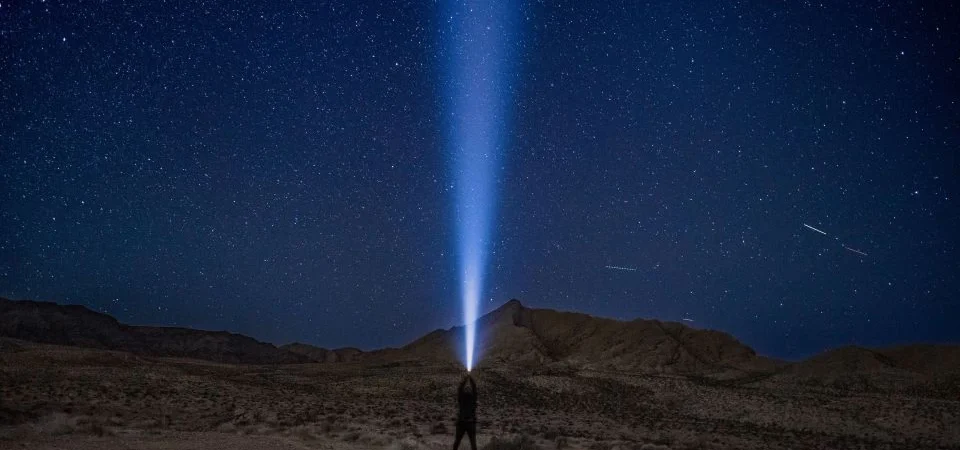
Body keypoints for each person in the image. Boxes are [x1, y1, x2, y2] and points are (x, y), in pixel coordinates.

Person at [453, 373, 478, 450]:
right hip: (468, 422)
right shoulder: (472, 399)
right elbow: (474, 389)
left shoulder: (462, 399)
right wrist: (470, 379)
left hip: (462, 422)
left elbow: (460, 389)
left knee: (457, 442)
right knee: (472, 443)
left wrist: (466, 379)